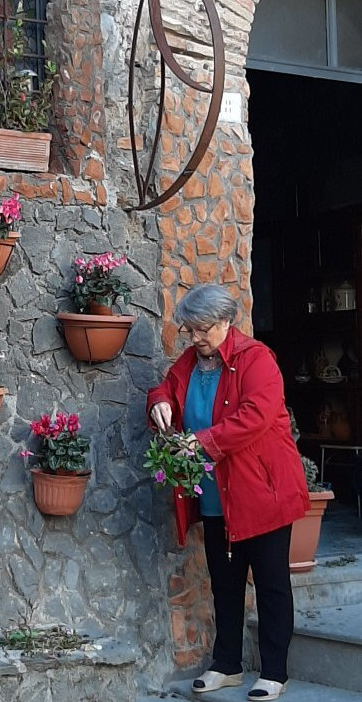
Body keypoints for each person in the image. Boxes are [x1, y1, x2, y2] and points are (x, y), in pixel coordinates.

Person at [147, 284, 309, 702]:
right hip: (217, 494)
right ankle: (227, 665)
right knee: (224, 582)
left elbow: (254, 417)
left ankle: (274, 672)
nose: (195, 337)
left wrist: (200, 441)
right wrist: (160, 404)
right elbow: (166, 388)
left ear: (224, 322)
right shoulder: (190, 361)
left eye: (202, 329)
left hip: (262, 492)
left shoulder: (256, 359)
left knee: (271, 584)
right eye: (190, 330)